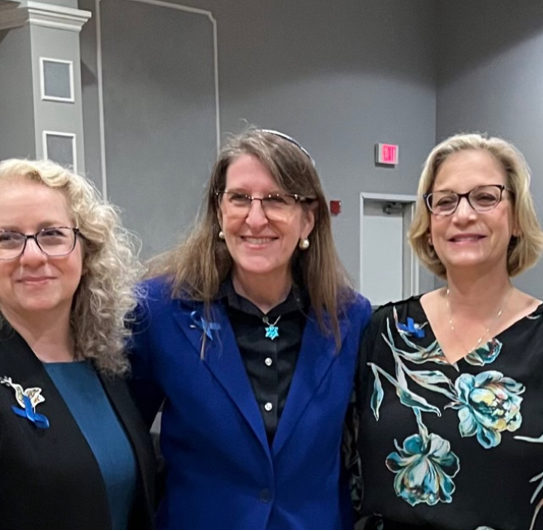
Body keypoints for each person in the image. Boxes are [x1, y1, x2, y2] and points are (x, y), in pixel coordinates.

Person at [352, 134, 543, 530]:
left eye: (485, 197)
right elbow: (350, 481)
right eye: (445, 201)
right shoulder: (383, 334)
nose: (463, 215)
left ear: (515, 217)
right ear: (428, 225)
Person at [130, 128, 372, 530]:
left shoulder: (350, 318)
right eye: (239, 198)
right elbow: (122, 444)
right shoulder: (160, 311)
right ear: (219, 212)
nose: (255, 218)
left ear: (308, 219)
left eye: (276, 200)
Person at [0, 159, 156, 530]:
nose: (33, 256)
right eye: (7, 238)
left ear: (86, 250)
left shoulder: (105, 364)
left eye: (52, 234)